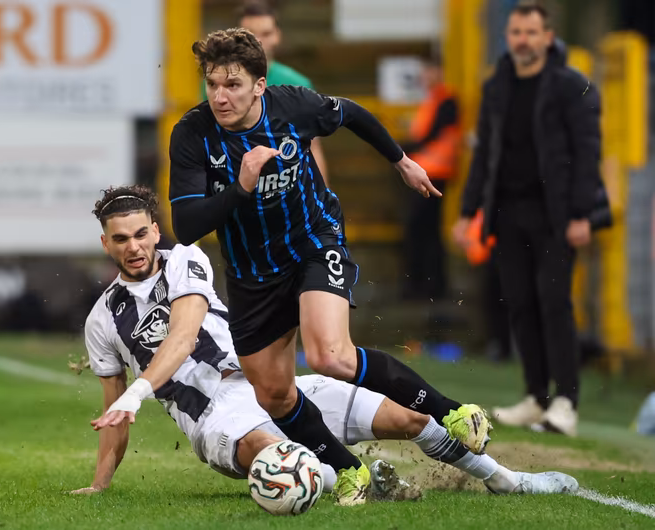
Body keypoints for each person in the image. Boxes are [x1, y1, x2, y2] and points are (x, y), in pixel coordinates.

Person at [72, 186, 578, 500]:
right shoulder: (103, 320)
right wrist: (99, 483)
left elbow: (182, 337)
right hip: (215, 420)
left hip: (271, 384)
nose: (134, 247)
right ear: (105, 244)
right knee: (286, 463)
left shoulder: (185, 259)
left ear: (154, 230)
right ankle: (363, 483)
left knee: (411, 420)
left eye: (141, 234)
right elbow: (112, 415)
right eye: (120, 239)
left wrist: (138, 394)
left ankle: (506, 479)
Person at [168, 27, 491, 504]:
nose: (220, 96)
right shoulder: (192, 134)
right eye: (213, 84)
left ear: (260, 85)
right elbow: (187, 226)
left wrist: (401, 161)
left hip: (313, 242)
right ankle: (348, 470)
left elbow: (352, 113)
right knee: (273, 396)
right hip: (253, 273)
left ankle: (452, 413)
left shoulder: (293, 105)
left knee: (330, 356)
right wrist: (241, 186)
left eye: (232, 85)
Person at [452, 3, 602, 437]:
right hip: (507, 213)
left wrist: (581, 214)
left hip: (556, 216)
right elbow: (484, 154)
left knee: (555, 305)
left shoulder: (572, 85)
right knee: (520, 305)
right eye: (516, 31)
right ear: (508, 37)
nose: (522, 39)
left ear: (548, 37)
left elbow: (587, 154)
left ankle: (566, 402)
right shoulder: (496, 85)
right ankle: (536, 396)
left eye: (531, 32)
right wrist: (468, 212)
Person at [236, 0, 330, 184]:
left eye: (266, 33)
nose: (258, 41)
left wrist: (325, 201)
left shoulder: (298, 84)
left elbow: (313, 147)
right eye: (250, 34)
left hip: (288, 187)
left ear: (277, 36)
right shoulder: (217, 85)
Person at [401, 56, 460, 300]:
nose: (425, 76)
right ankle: (428, 286)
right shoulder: (433, 100)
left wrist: (400, 150)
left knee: (423, 230)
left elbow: (427, 136)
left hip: (433, 174)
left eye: (429, 71)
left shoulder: (445, 100)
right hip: (425, 172)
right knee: (425, 230)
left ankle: (428, 286)